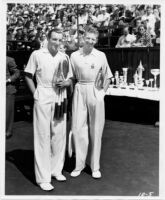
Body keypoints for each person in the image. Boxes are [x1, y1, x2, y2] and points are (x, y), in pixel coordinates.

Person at [24, 28, 73, 191]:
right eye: (54, 39)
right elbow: (28, 75)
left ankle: (55, 170)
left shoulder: (64, 57)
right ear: (47, 38)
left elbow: (70, 78)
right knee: (42, 136)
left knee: (59, 135)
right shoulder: (37, 54)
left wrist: (67, 83)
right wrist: (35, 93)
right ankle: (43, 178)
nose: (57, 43)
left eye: (60, 40)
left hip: (60, 97)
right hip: (43, 95)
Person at [70, 26, 113, 179]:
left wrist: (102, 93)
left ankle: (95, 167)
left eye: (93, 39)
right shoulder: (74, 56)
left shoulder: (101, 55)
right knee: (78, 127)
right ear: (83, 38)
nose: (90, 41)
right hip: (80, 89)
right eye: (88, 38)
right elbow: (70, 77)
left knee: (96, 129)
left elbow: (107, 76)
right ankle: (79, 165)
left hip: (96, 91)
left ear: (96, 40)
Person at [6, 56, 20, 139]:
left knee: (8, 112)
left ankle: (8, 132)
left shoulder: (9, 59)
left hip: (8, 89)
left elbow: (17, 73)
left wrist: (8, 80)